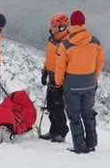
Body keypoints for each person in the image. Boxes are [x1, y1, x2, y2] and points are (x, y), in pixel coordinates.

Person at [55, 10, 105, 153]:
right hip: (90, 83)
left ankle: (80, 145)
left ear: (71, 23)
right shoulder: (95, 41)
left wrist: (58, 83)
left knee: (74, 116)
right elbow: (100, 62)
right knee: (88, 113)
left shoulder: (66, 44)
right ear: (83, 23)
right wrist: (95, 77)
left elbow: (60, 67)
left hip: (72, 86)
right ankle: (91, 143)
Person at [39, 13, 70, 143]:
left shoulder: (68, 42)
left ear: (62, 27)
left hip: (61, 79)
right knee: (51, 106)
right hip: (51, 76)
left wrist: (62, 80)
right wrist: (45, 71)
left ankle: (62, 132)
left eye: (54, 26)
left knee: (58, 106)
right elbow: (49, 57)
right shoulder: (51, 39)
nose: (51, 28)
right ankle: (53, 131)